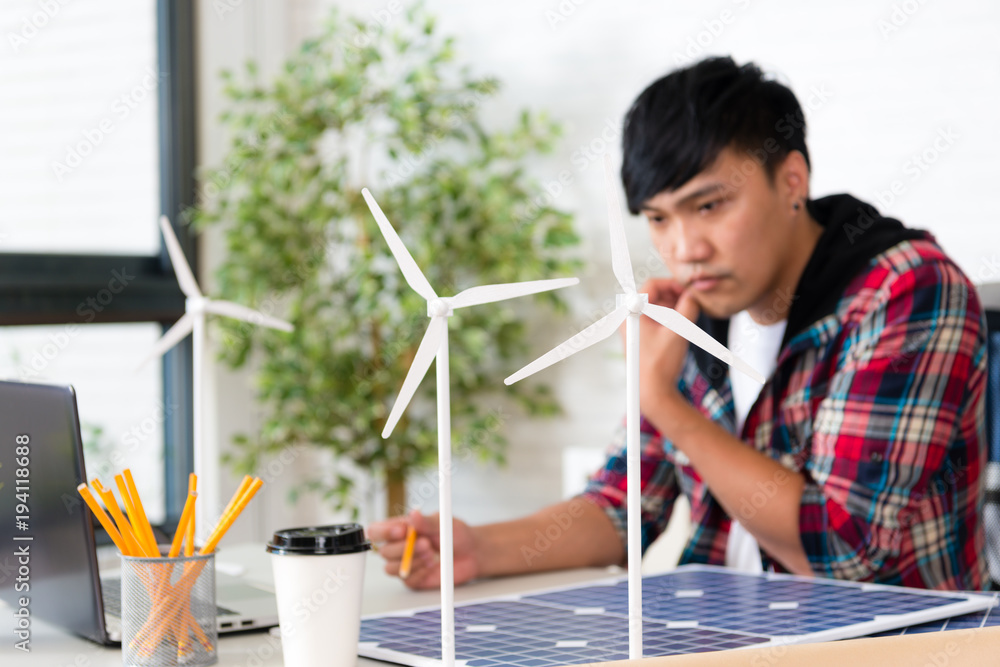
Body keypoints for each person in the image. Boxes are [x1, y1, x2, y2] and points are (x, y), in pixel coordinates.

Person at [367, 57, 989, 591]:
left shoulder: (905, 292)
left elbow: (845, 550)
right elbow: (624, 505)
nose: (685, 247)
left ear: (791, 180)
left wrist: (663, 401)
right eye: (660, 219)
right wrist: (478, 549)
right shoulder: (695, 310)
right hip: (725, 637)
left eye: (710, 205)